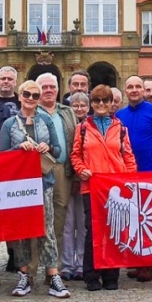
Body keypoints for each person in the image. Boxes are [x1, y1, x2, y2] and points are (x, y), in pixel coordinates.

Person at [0, 80, 71, 299]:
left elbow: (58, 151)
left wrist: (48, 147)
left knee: (47, 228)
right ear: (20, 96)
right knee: (21, 230)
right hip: (19, 185)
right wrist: (17, 148)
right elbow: (1, 155)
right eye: (27, 94)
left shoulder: (45, 120)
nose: (31, 99)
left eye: (35, 95)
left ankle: (53, 275)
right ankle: (24, 275)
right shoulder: (9, 124)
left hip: (43, 181)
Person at [70, 85, 137, 291]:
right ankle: (91, 275)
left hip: (115, 187)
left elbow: (128, 157)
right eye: (97, 101)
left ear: (111, 104)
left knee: (114, 230)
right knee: (93, 231)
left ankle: (111, 274)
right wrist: (81, 169)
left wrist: (130, 181)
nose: (101, 104)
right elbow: (76, 155)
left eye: (105, 101)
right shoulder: (82, 128)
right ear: (92, 104)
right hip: (92, 186)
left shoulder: (121, 128)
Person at [35, 72, 76, 285]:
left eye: (52, 86)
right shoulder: (32, 111)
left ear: (58, 89)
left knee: (58, 220)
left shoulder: (67, 112)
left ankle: (54, 271)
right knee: (37, 220)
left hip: (62, 169)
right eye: (44, 87)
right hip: (37, 171)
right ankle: (30, 271)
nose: (49, 90)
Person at [61, 92, 89, 281]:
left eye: (82, 105)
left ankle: (81, 263)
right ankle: (67, 264)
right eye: (75, 105)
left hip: (86, 179)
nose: (79, 109)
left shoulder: (92, 125)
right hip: (68, 178)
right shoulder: (66, 124)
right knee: (68, 224)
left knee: (83, 224)